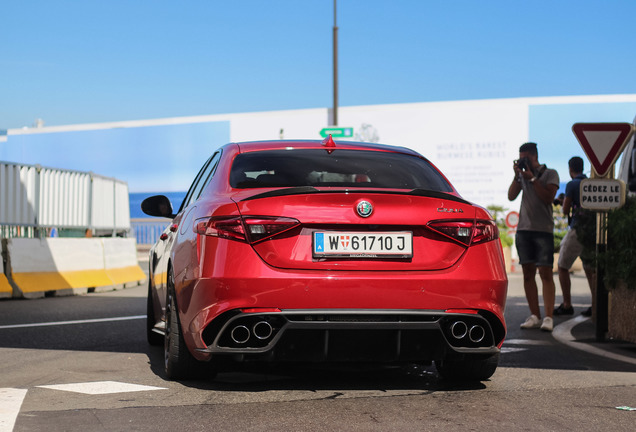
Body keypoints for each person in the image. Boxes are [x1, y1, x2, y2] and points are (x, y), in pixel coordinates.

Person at [508, 142, 560, 332]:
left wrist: (532, 179)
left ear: (534, 156)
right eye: (521, 158)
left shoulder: (550, 173)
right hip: (524, 230)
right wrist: (517, 176)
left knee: (546, 273)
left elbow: (548, 198)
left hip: (543, 230)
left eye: (526, 158)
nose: (523, 161)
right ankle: (534, 315)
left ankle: (548, 317)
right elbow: (511, 196)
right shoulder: (521, 175)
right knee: (527, 274)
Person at [554, 156, 595, 317]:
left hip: (577, 229)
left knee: (563, 266)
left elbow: (565, 210)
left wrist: (563, 201)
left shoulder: (572, 184)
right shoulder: (589, 183)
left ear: (570, 169)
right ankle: (595, 305)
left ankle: (567, 304)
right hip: (591, 231)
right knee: (590, 267)